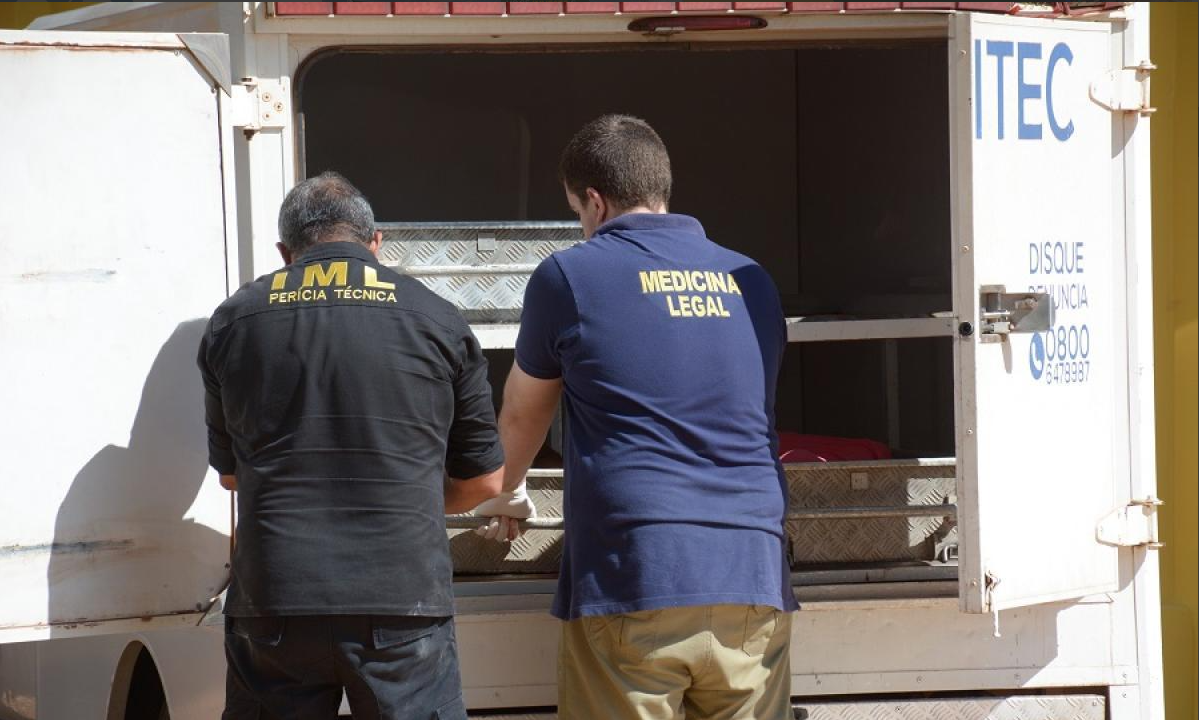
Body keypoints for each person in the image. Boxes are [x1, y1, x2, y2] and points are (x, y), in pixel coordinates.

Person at [477, 115, 797, 719]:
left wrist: (504, 491)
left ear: (595, 202)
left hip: (637, 574)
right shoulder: (752, 280)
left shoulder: (569, 275)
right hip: (752, 574)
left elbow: (522, 413)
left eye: (577, 211)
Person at [198, 172, 504, 720]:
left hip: (275, 596)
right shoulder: (438, 318)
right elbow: (485, 480)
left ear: (285, 252)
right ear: (376, 243)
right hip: (402, 598)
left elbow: (231, 476)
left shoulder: (234, 320)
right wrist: (402, 500)